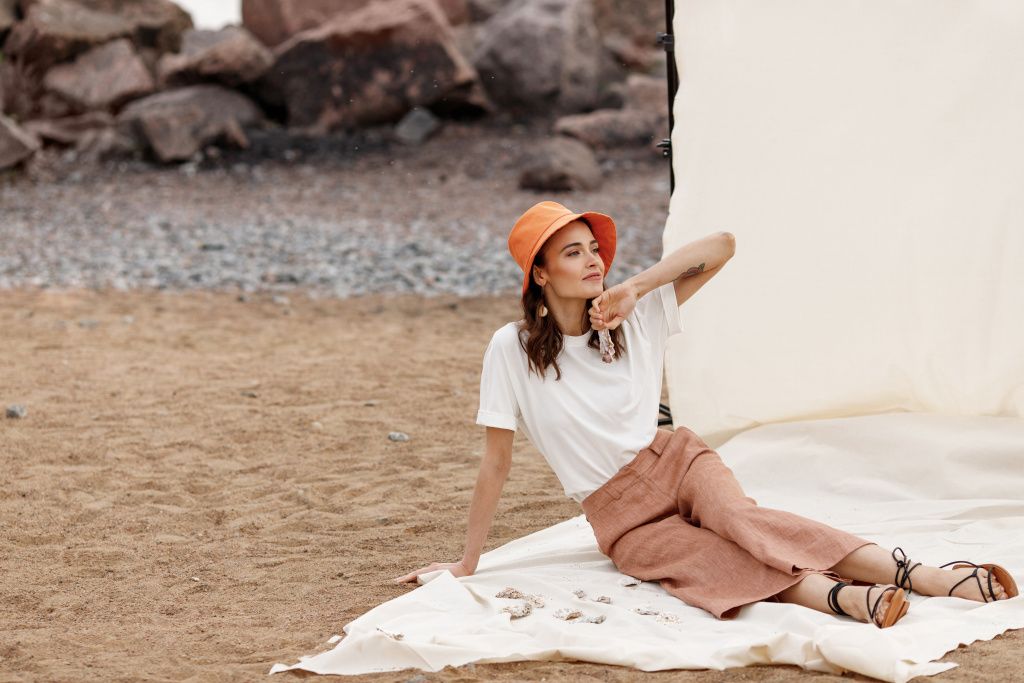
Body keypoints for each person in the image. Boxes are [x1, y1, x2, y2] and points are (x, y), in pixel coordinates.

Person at [393, 200, 1018, 627]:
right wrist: (468, 562)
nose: (594, 262)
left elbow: (721, 246)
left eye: (595, 250)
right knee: (709, 564)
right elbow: (495, 463)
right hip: (618, 514)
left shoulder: (633, 313)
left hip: (674, 460)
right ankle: (843, 599)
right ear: (540, 273)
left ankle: (929, 577)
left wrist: (638, 286)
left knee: (743, 522)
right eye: (574, 254)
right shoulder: (511, 350)